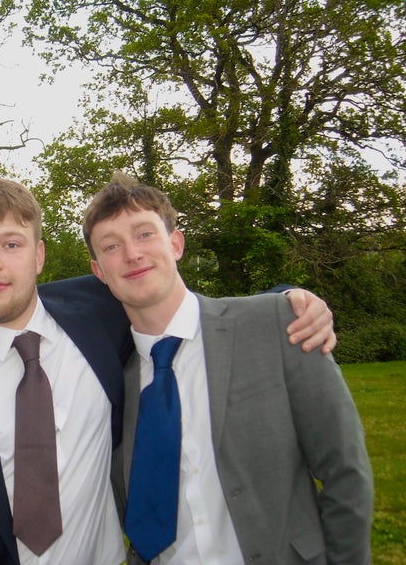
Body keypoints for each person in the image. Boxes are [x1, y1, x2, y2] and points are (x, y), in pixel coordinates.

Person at [0, 177, 336, 565]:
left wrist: (288, 298)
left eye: (11, 243)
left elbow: (185, 306)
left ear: (38, 256)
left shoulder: (99, 311)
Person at [83, 172, 373, 564]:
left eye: (144, 234)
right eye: (112, 246)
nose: (132, 254)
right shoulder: (112, 386)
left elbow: (346, 470)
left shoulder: (278, 323)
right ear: (99, 271)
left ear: (176, 243)